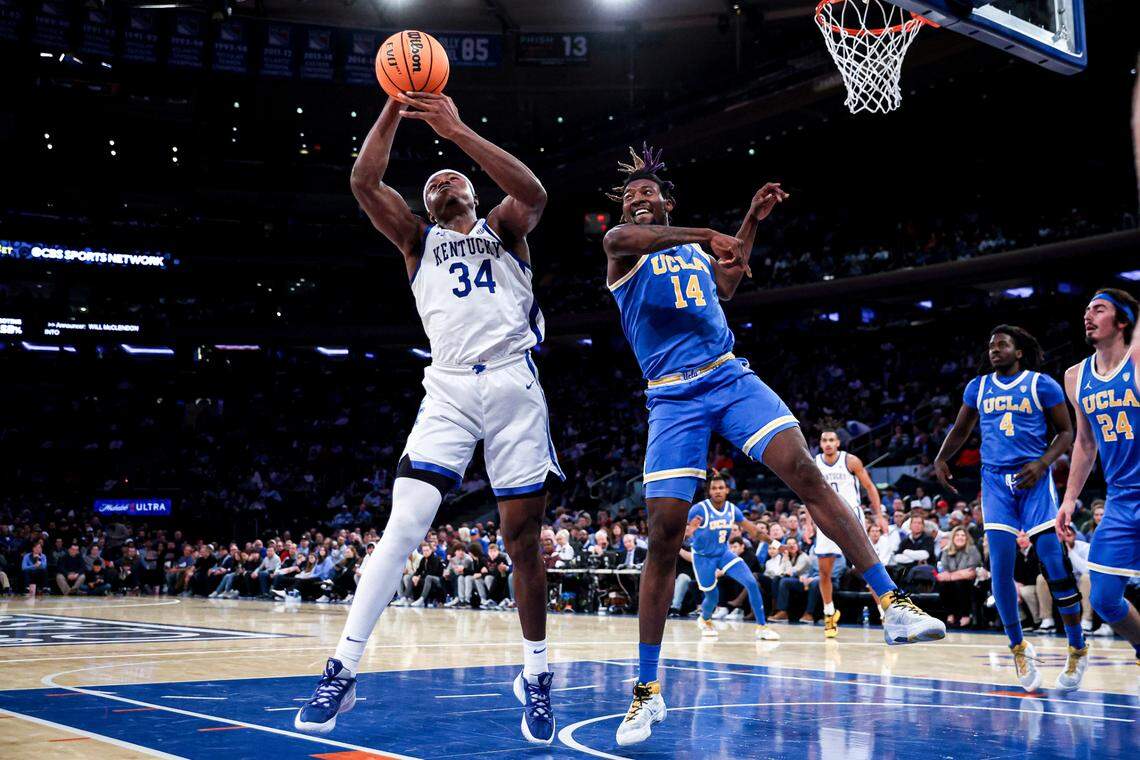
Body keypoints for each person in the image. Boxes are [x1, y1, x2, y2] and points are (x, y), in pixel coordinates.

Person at [601, 145, 943, 746]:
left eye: (646, 195)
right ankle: (647, 691)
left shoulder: (690, 249)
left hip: (729, 375)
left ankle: (893, 602)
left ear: (667, 201)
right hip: (671, 396)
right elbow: (628, 239)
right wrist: (709, 231)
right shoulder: (622, 251)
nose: (636, 203)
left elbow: (729, 281)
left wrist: (749, 224)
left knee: (805, 472)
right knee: (662, 532)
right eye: (630, 199)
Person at [296, 90, 563, 745]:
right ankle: (342, 667)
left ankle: (535, 674)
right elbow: (363, 180)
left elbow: (533, 192)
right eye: (433, 181)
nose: (443, 182)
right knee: (403, 526)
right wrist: (393, 106)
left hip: (512, 385)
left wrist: (457, 130)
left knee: (521, 543)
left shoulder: (504, 229)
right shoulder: (415, 239)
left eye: (453, 179)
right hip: (446, 388)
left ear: (472, 195)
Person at [934, 324, 1086, 691]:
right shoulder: (979, 386)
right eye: (991, 346)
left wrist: (1043, 463)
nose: (994, 350)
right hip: (995, 482)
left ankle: (1077, 646)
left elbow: (1067, 432)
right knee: (999, 567)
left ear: (1019, 352)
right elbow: (961, 428)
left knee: (1052, 561)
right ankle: (1018, 646)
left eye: (1002, 345)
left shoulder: (1041, 384)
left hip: (1032, 480)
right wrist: (941, 458)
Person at [1059, 289, 1140, 670]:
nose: (1088, 314)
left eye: (1099, 308)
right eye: (1087, 308)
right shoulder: (1076, 376)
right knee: (1105, 600)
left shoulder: (1137, 359)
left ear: (1122, 321)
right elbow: (1085, 443)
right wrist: (1068, 499)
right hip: (1121, 499)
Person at [688, 475, 779, 641]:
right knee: (712, 596)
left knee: (751, 582)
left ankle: (762, 627)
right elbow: (684, 535)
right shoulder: (698, 509)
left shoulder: (732, 510)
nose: (717, 491)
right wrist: (689, 530)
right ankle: (705, 619)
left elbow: (755, 531)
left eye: (721, 488)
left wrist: (777, 544)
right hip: (703, 557)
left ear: (727, 490)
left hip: (724, 553)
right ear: (709, 491)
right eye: (714, 488)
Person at [813, 430, 884, 638]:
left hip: (851, 519)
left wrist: (879, 514)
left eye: (831, 440)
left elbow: (869, 486)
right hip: (826, 519)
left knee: (868, 569)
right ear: (820, 443)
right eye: (824, 440)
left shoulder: (850, 460)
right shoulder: (814, 463)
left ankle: (884, 613)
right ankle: (829, 614)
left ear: (838, 443)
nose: (827, 443)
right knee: (824, 571)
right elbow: (807, 493)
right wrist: (809, 520)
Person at [936, 527, 982, 628]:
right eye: (957, 535)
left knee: (961, 583)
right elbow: (943, 573)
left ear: (967, 538)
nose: (960, 537)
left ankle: (965, 616)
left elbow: (970, 573)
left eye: (963, 535)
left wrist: (951, 576)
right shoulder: (946, 551)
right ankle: (950, 615)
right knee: (944, 584)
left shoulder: (972, 549)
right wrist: (956, 575)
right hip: (953, 582)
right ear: (953, 537)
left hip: (971, 583)